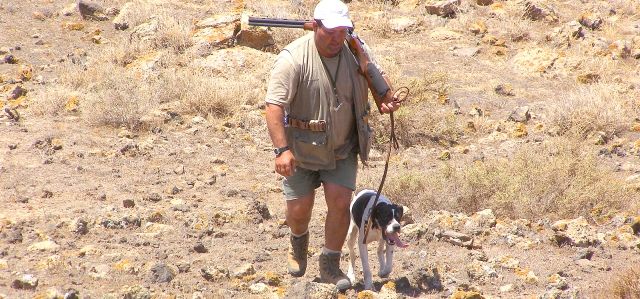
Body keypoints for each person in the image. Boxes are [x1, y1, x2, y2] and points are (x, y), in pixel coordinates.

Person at [264, 0, 400, 291]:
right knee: (299, 212)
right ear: (316, 26)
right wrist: (281, 150)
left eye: (343, 31)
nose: (338, 37)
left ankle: (329, 263)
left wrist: (382, 96)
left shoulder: (355, 51)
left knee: (340, 204)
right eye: (331, 31)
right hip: (300, 149)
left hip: (342, 146)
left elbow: (380, 85)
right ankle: (298, 242)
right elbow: (274, 106)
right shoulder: (293, 58)